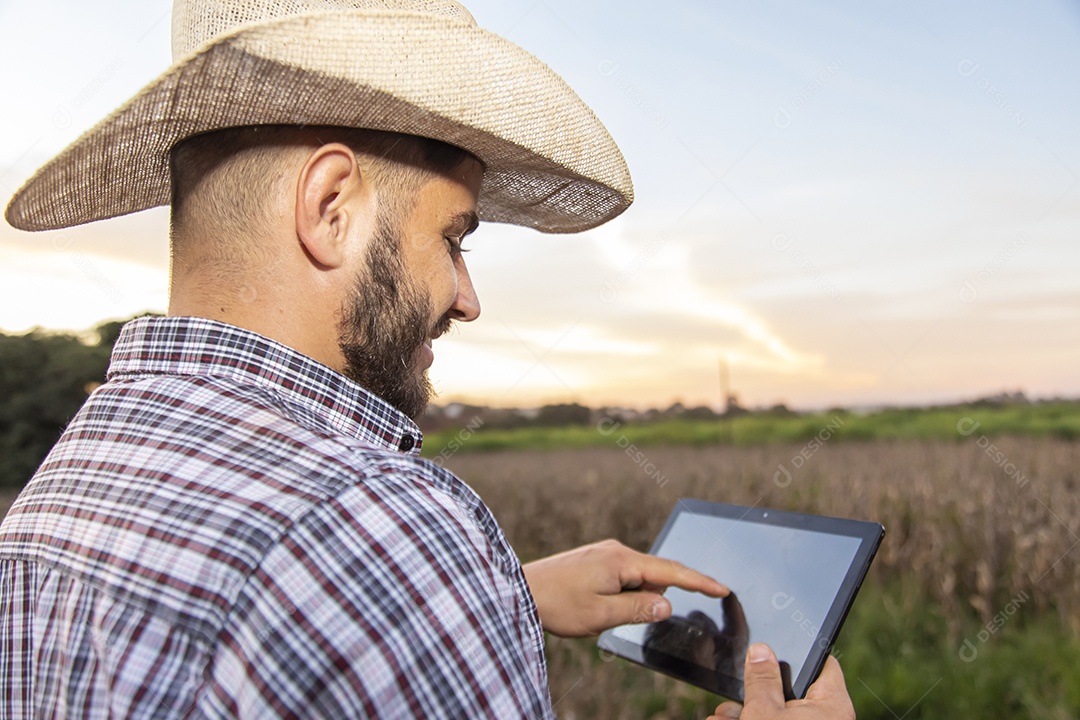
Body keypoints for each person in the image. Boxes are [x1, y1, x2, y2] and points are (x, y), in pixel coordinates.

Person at [0, 0, 854, 717]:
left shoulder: (60, 491)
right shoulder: (382, 524)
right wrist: (435, 585)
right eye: (455, 238)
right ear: (331, 207)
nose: (468, 298)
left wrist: (498, 599)